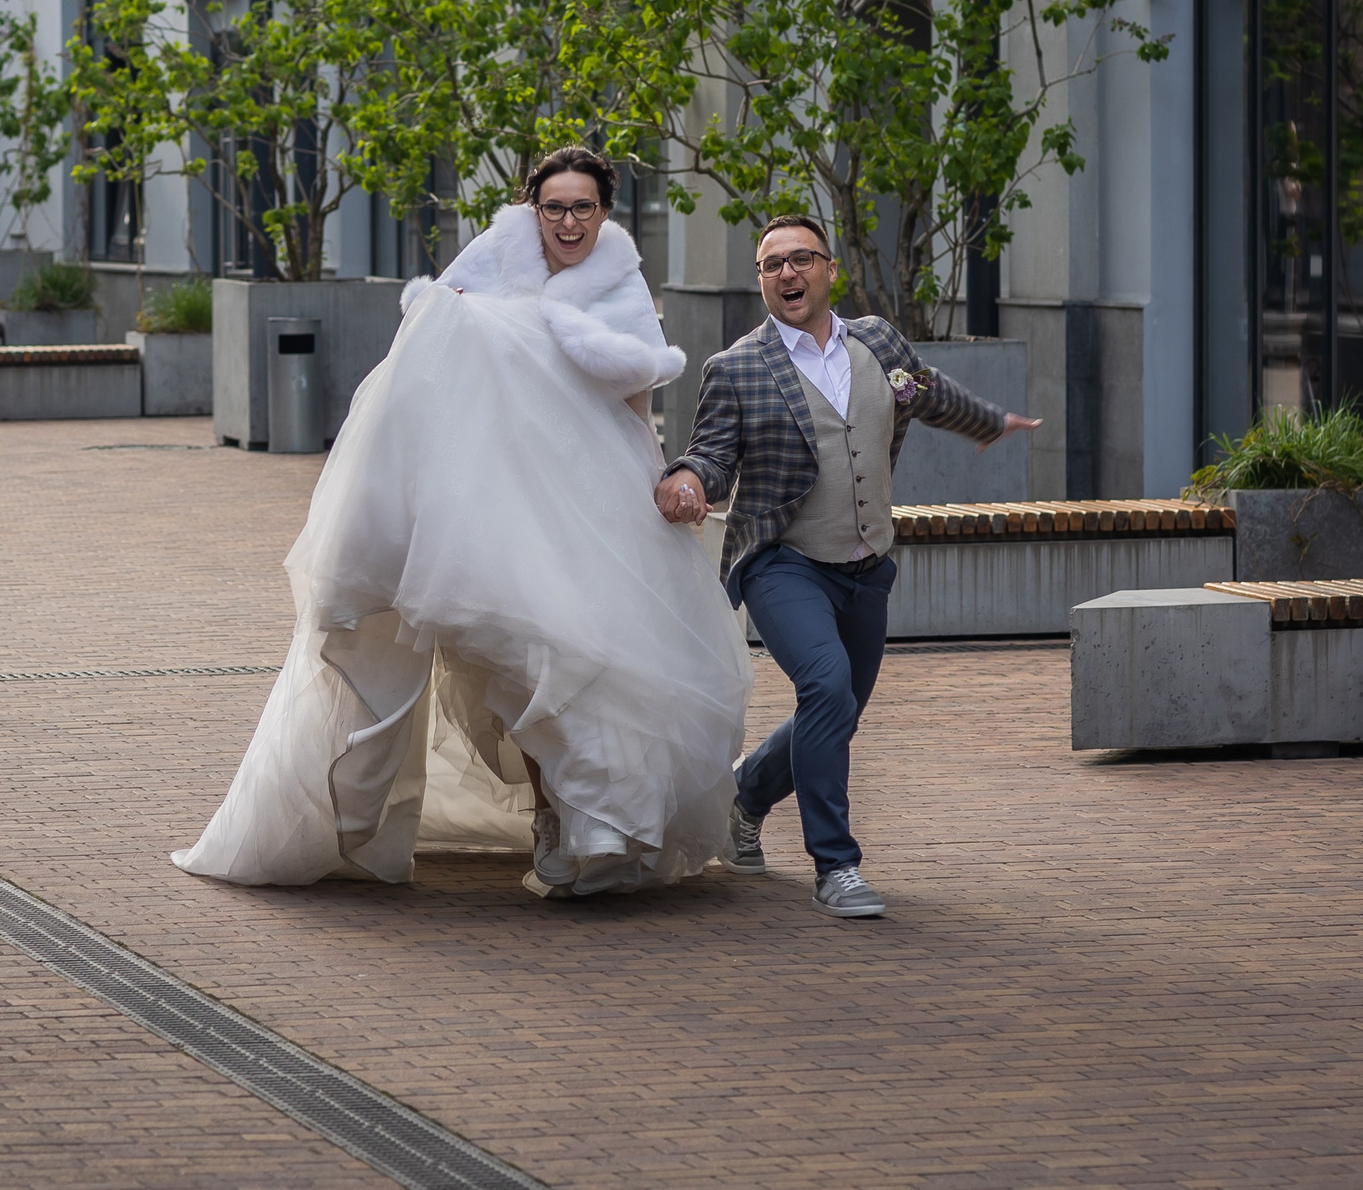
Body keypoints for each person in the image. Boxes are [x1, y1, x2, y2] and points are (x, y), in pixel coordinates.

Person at [174, 146, 751, 899]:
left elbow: (637, 401)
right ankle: (550, 820)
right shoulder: (487, 261)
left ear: (605, 212)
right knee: (528, 655)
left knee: (589, 657)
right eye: (553, 207)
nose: (568, 223)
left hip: (590, 499)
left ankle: (588, 824)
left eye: (583, 207)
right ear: (532, 209)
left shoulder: (623, 281)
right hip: (497, 503)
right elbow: (426, 366)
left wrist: (653, 481)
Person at [655, 215, 1037, 919]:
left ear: (830, 270)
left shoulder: (877, 341)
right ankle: (836, 866)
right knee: (827, 687)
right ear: (761, 282)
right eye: (773, 265)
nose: (788, 273)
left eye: (802, 259)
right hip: (783, 561)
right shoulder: (736, 368)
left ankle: (745, 796)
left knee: (837, 711)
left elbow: (924, 391)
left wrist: (989, 421)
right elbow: (711, 454)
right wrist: (688, 480)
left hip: (867, 565)